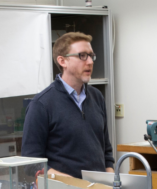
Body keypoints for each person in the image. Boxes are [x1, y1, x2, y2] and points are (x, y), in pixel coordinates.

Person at [22, 32, 114, 178]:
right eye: (82, 55)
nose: (89, 61)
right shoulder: (41, 105)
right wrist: (71, 183)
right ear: (62, 61)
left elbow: (106, 152)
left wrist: (111, 182)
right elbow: (30, 164)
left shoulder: (97, 97)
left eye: (91, 55)